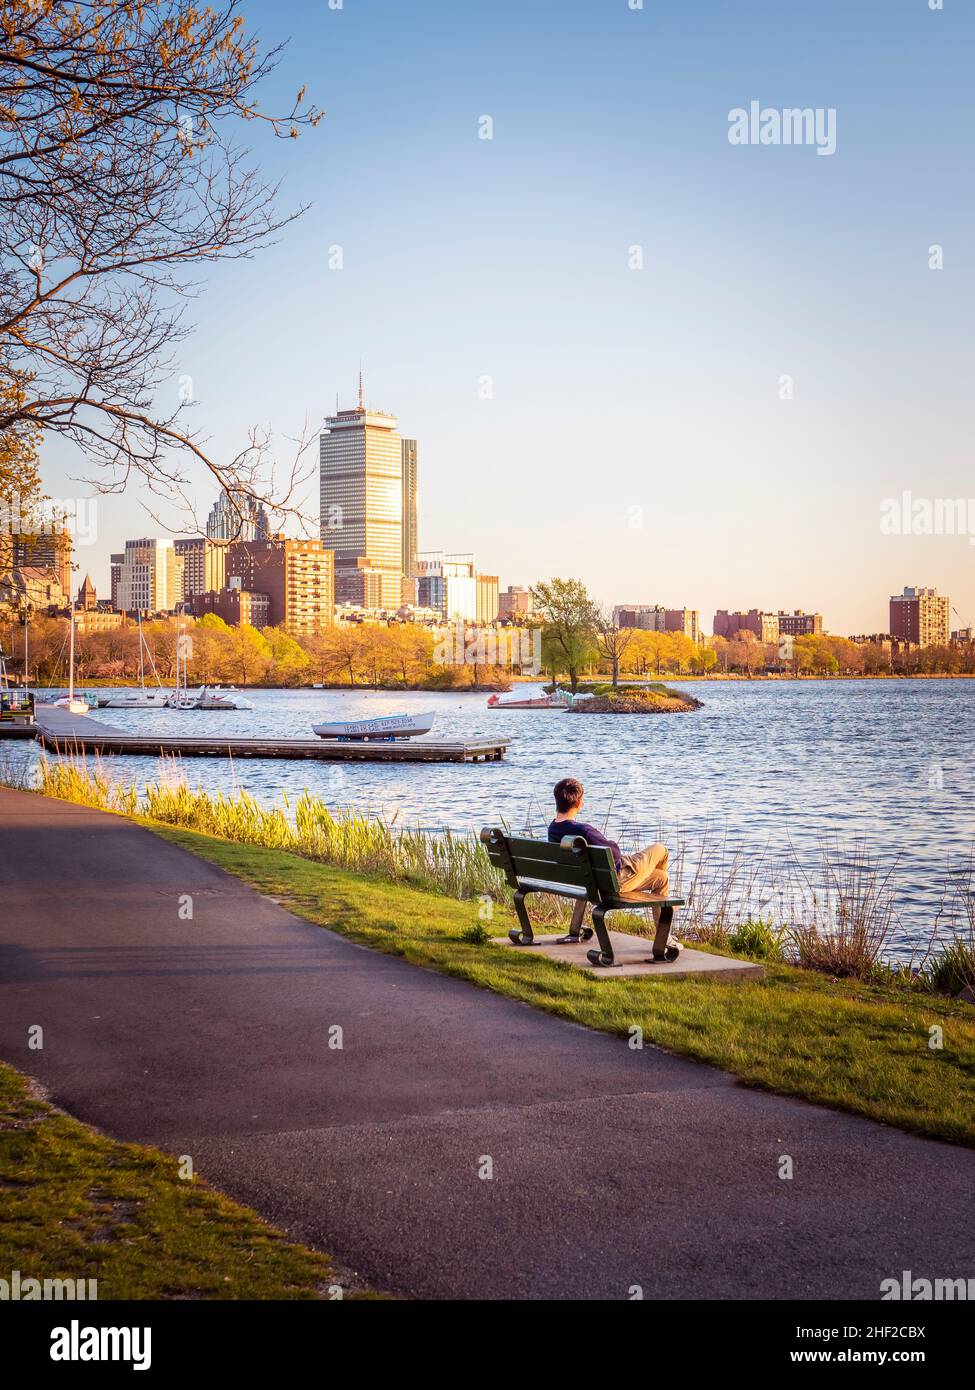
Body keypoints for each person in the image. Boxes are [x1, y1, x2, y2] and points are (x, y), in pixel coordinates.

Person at [548, 777, 675, 948]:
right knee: (661, 849)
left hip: (589, 881)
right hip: (618, 878)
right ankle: (665, 928)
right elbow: (614, 853)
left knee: (661, 877)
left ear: (557, 801)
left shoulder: (553, 829)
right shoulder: (583, 831)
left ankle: (665, 933)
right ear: (578, 803)